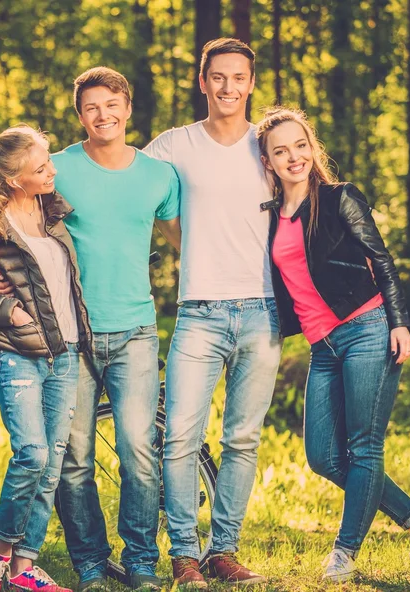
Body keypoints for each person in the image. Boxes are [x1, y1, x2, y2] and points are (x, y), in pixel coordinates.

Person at [0, 67, 181, 591]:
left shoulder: (159, 175)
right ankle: (90, 564)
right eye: (91, 107)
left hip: (136, 327)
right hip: (70, 336)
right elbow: (9, 213)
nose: (103, 115)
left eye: (111, 104)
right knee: (72, 459)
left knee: (140, 449)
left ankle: (141, 561)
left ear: (128, 107)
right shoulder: (58, 168)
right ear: (80, 115)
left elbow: (184, 235)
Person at [256, 107, 410, 582]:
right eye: (281, 151)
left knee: (364, 447)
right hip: (323, 346)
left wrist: (399, 323)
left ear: (311, 147)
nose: (293, 156)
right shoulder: (269, 217)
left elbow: (380, 260)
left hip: (367, 327)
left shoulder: (339, 198)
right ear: (269, 162)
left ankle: (343, 554)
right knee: (323, 456)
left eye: (300, 145)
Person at [144, 38, 282, 588]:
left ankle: (222, 551)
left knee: (242, 439)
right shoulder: (176, 144)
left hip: (264, 311)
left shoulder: (268, 144)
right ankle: (184, 554)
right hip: (198, 311)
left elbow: (309, 203)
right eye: (217, 77)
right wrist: (180, 237)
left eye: (239, 77)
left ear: (252, 84)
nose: (228, 87)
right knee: (180, 435)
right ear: (202, 83)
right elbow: (126, 181)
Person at [0, 124, 92, 592]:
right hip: (17, 353)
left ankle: (22, 568)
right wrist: (8, 310)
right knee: (31, 453)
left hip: (66, 351)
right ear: (16, 180)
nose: (52, 169)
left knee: (52, 461)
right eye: (41, 166)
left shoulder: (53, 211)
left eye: (49, 160)